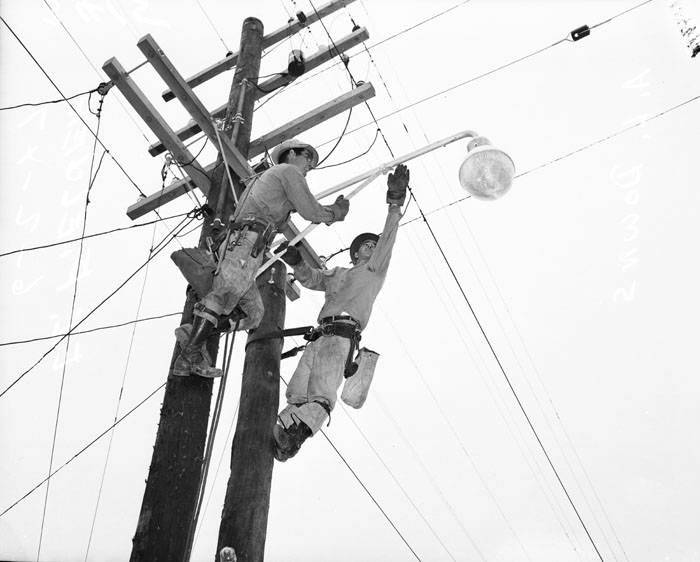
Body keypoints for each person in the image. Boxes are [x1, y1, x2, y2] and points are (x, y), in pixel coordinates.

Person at [172, 138, 350, 378]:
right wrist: (333, 213)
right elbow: (310, 210)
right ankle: (189, 357)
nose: (310, 165)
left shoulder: (274, 181)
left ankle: (195, 333)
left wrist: (325, 211)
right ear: (291, 154)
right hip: (246, 242)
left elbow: (299, 207)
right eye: (307, 157)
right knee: (224, 293)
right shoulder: (288, 172)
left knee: (254, 315)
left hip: (250, 247)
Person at [272, 164, 410, 461]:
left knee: (322, 393)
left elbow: (388, 239)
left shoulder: (374, 271)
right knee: (296, 392)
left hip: (343, 336)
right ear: (356, 252)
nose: (373, 248)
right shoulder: (338, 274)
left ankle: (296, 435)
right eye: (367, 246)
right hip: (320, 336)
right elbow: (311, 279)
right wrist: (296, 261)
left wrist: (395, 203)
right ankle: (280, 434)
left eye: (375, 246)